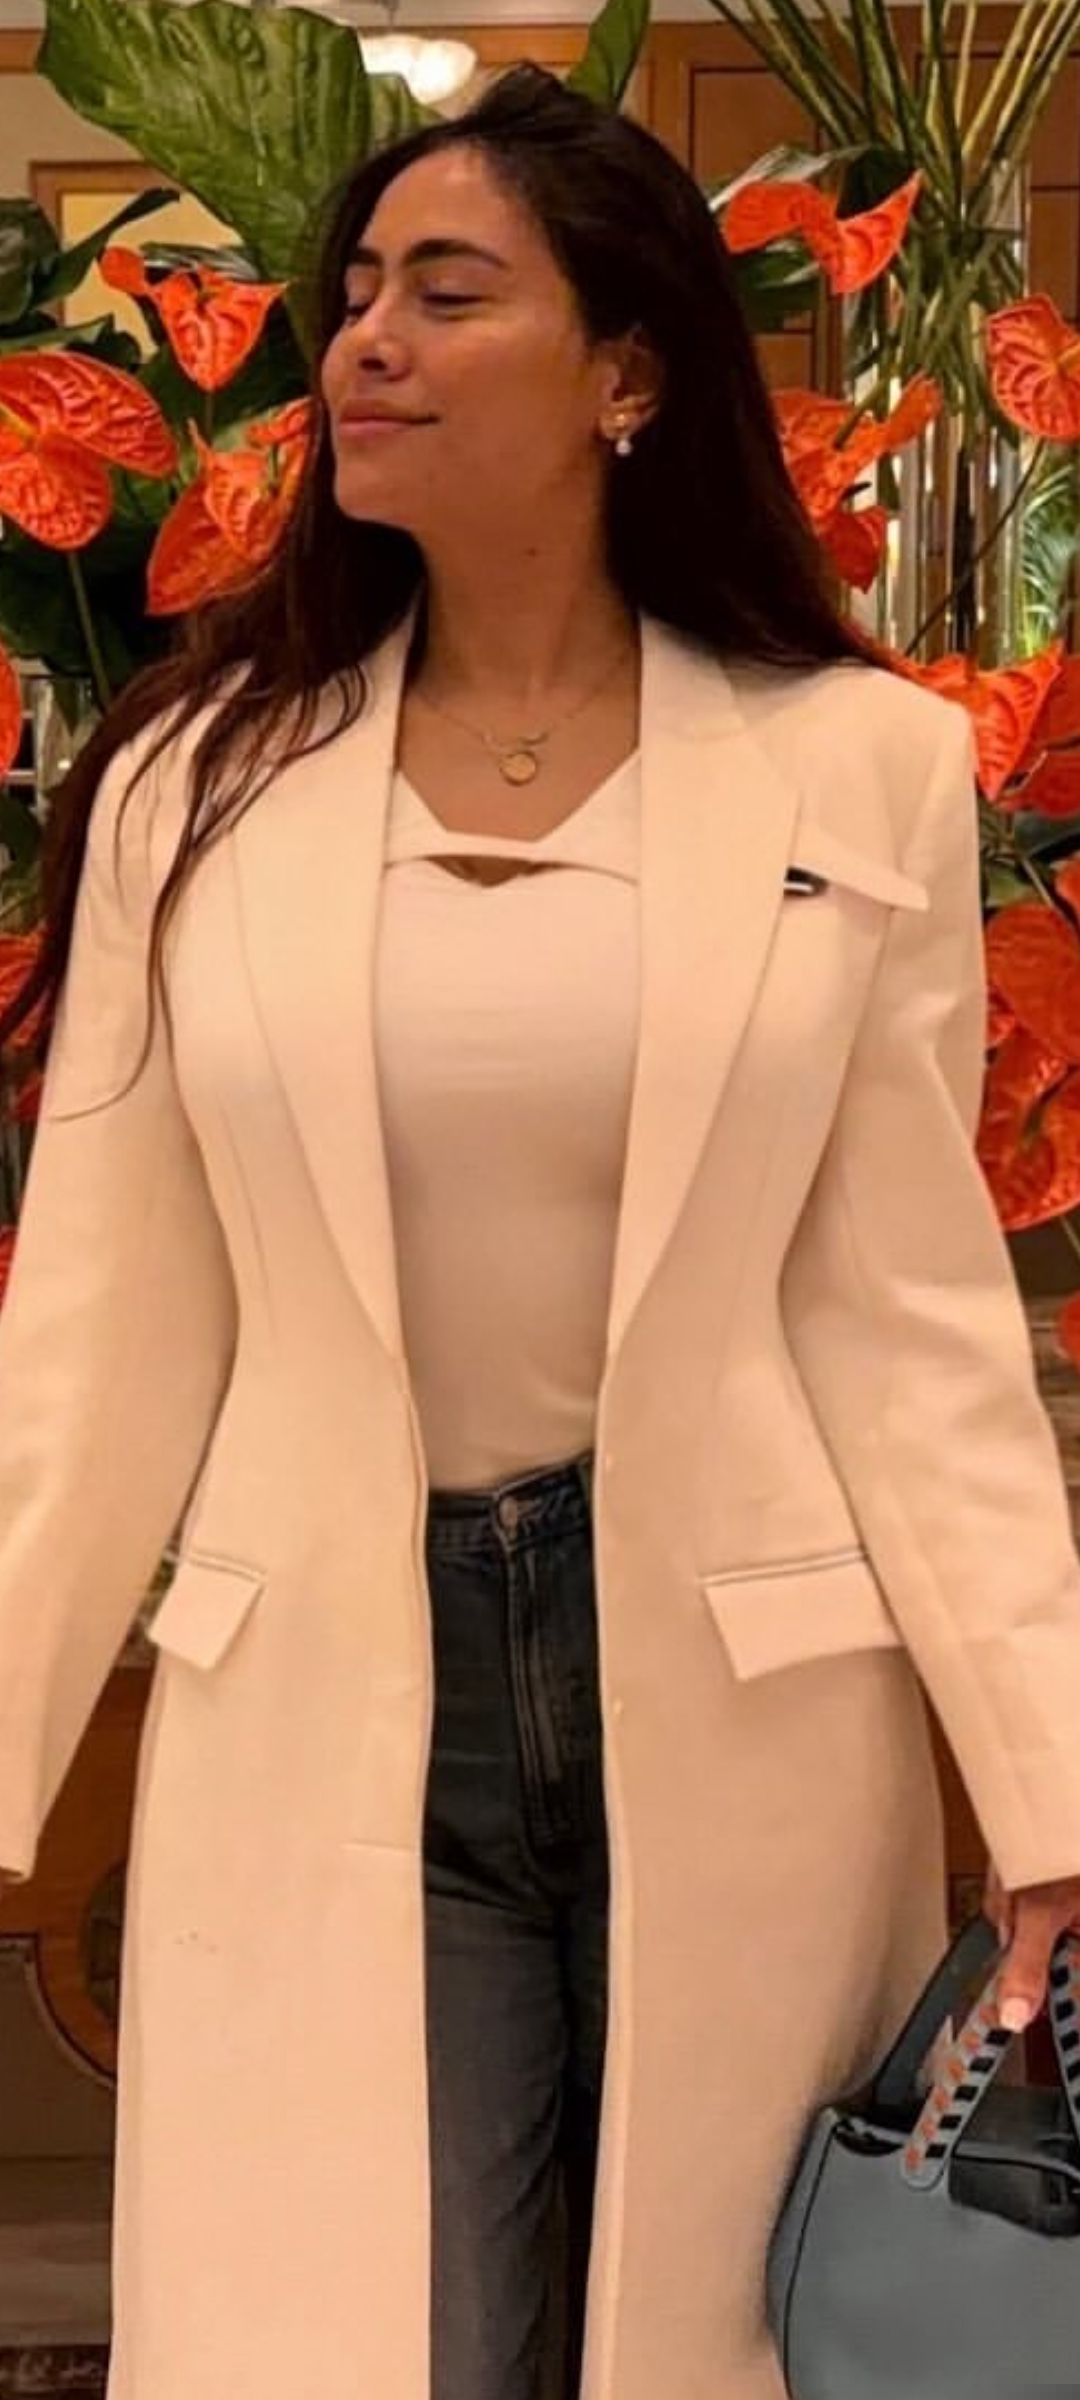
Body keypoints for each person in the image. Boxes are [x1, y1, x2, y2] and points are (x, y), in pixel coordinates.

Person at [1, 59, 1079, 2400]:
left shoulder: (857, 767)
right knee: (386, 2342)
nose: (365, 341)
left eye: (447, 289)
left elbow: (909, 1318)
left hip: (743, 1673)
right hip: (334, 1668)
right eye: (355, 293)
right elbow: (97, 1324)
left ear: (627, 373)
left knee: (701, 2338)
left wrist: (1050, 1787)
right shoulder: (195, 784)